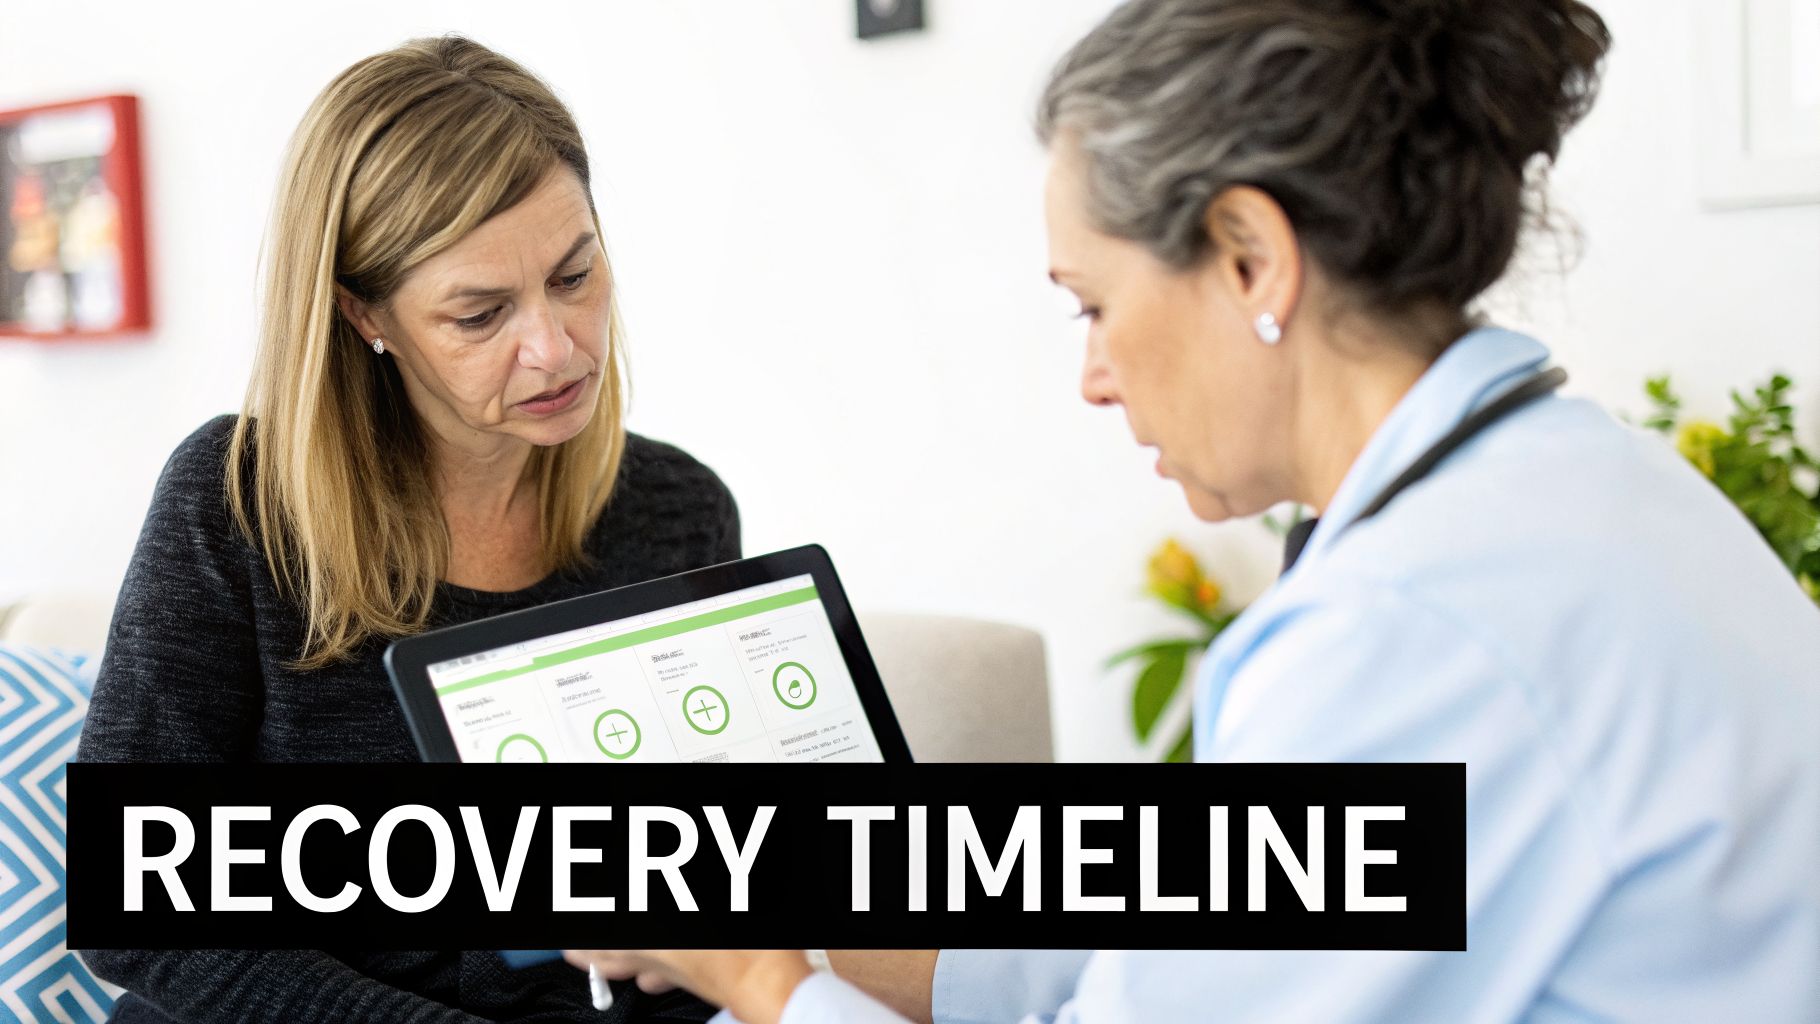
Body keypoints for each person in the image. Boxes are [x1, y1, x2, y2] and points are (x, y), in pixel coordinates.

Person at [565, 0, 1820, 1020]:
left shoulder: (1414, 633)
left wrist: (763, 984)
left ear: (1248, 258)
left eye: (1092, 304)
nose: (1092, 375)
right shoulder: (1583, 482)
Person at [77, 36, 733, 1024]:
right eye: (478, 314)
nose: (554, 348)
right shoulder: (238, 506)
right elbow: (133, 907)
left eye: (573, 274)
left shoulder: (675, 509)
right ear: (361, 314)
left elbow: (699, 892)